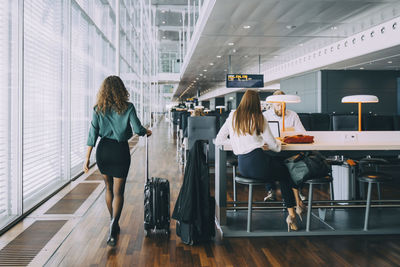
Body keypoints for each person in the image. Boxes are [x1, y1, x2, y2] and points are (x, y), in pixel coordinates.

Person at [215, 89, 304, 231]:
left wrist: (239, 144)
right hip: (259, 164)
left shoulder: (232, 116)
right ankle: (292, 214)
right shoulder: (259, 118)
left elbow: (219, 140)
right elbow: (275, 147)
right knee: (285, 173)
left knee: (279, 168)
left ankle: (293, 206)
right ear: (257, 103)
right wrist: (276, 144)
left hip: (243, 167)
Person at [84, 76, 152, 246]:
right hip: (120, 151)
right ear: (122, 90)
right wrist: (146, 132)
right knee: (119, 192)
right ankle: (114, 224)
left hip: (103, 151)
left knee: (108, 189)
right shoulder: (128, 107)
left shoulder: (98, 109)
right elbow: (137, 129)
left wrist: (86, 159)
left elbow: (92, 134)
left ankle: (113, 221)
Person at [263, 90, 307, 202]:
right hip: (272, 149)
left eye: (283, 104)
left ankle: (297, 190)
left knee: (296, 161)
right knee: (266, 158)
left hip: (289, 149)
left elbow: (303, 133)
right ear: (272, 104)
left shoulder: (292, 115)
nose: (281, 107)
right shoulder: (265, 116)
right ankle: (270, 191)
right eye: (278, 105)